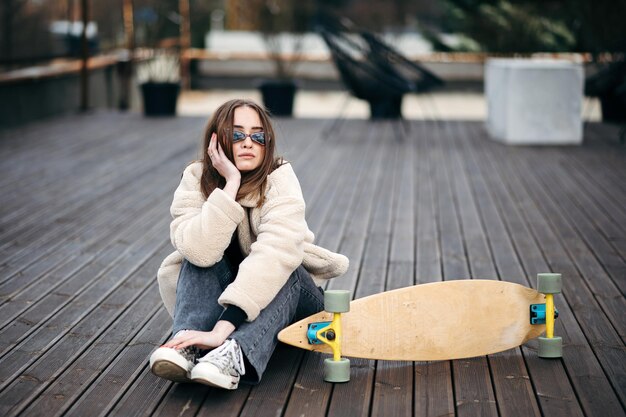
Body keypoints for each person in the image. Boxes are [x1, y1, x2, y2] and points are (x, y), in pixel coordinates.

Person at [149, 99, 349, 390]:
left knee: (284, 266)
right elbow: (199, 251)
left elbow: (275, 256)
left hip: (295, 302)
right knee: (197, 254)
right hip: (227, 304)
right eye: (237, 134)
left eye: (258, 136)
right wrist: (229, 185)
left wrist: (222, 330)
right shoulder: (195, 178)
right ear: (217, 140)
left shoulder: (279, 179)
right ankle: (187, 345)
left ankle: (232, 354)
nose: (248, 142)